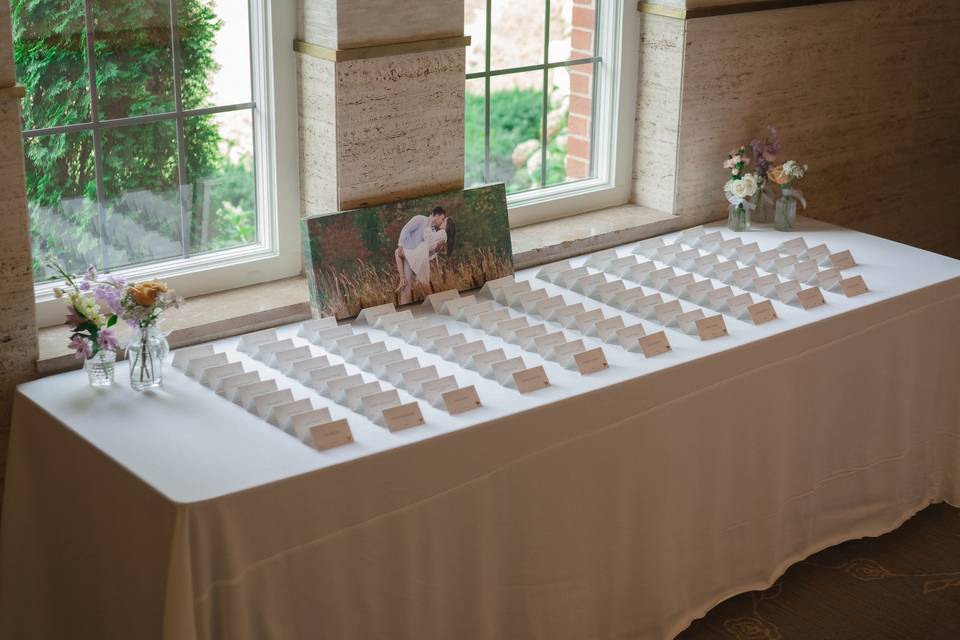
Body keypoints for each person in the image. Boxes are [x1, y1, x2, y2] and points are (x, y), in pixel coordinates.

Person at [394, 207, 453, 304]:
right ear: (436, 215)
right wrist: (401, 244)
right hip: (409, 255)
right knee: (407, 286)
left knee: (423, 284)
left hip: (418, 258)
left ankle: (434, 303)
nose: (441, 221)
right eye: (442, 218)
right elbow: (406, 229)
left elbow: (429, 251)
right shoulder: (420, 219)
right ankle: (404, 306)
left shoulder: (434, 231)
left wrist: (437, 249)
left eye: (443, 220)